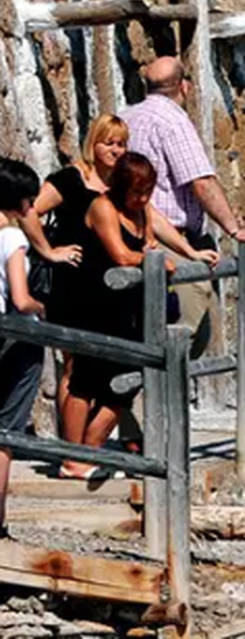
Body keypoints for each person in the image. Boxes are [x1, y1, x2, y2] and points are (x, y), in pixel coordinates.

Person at [64, 154, 214, 479]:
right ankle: (73, 459)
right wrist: (152, 261)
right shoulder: (103, 207)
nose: (143, 198)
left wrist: (190, 253)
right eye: (137, 192)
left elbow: (156, 236)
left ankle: (90, 450)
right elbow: (120, 254)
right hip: (94, 304)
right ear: (121, 186)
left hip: (130, 308)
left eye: (147, 191)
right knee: (85, 383)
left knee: (128, 382)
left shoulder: (142, 209)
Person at [121, 57, 245, 356]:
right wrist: (234, 229)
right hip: (167, 236)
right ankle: (165, 383)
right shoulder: (173, 121)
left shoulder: (126, 116)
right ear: (184, 87)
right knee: (182, 333)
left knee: (170, 325)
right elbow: (201, 181)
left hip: (134, 230)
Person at [20, 115, 128, 439]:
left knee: (100, 364)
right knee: (75, 365)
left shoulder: (119, 184)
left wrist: (187, 251)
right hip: (71, 285)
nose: (116, 150)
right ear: (93, 143)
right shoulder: (70, 179)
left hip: (107, 289)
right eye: (109, 143)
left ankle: (83, 444)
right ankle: (72, 447)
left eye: (122, 144)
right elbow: (27, 210)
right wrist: (49, 250)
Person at [0, 159, 49, 536]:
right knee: (5, 432)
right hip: (14, 337)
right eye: (30, 200)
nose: (33, 207)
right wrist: (41, 307)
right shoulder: (12, 238)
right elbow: (20, 298)